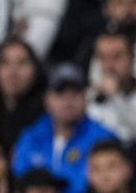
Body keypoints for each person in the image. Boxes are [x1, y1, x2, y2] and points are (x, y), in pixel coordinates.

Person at [13, 63, 117, 193]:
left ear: (85, 97)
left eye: (75, 92)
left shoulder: (103, 139)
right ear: (47, 99)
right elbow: (19, 179)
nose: (68, 100)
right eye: (60, 92)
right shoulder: (31, 137)